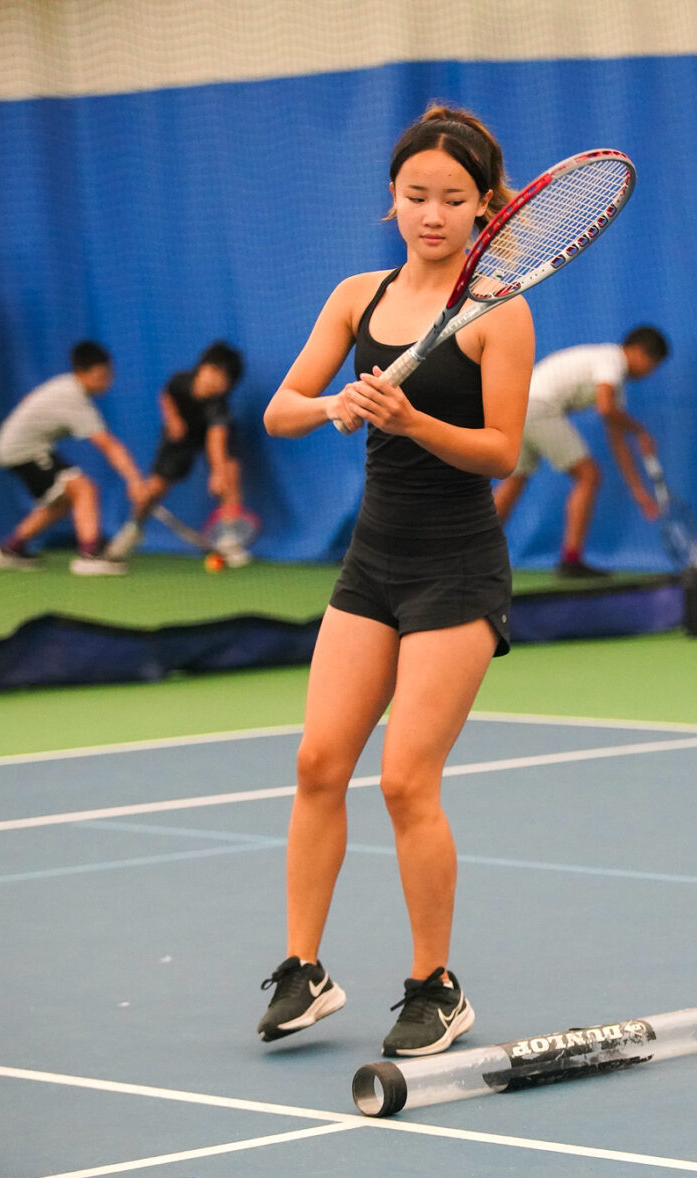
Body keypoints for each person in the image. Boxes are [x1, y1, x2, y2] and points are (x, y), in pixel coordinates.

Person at [258, 104, 532, 1056]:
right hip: (372, 563)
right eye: (416, 195)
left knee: (406, 780)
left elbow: (500, 452)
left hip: (457, 568)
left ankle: (435, 985)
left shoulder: (501, 309)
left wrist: (411, 421)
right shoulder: (355, 298)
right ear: (392, 198)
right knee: (316, 763)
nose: (431, 213)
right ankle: (304, 969)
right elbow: (277, 411)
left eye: (453, 199)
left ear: (486, 206)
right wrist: (337, 401)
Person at [491, 326, 670, 578]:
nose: (649, 373)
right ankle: (571, 560)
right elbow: (606, 409)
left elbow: (616, 440)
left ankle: (475, 554)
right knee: (589, 476)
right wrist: (640, 431)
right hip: (538, 407)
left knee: (515, 480)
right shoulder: (612, 361)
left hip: (519, 407)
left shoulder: (613, 382)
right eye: (653, 365)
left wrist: (639, 492)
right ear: (640, 353)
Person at [0, 341, 147, 576]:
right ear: (82, 373)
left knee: (61, 502)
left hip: (20, 447)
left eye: (109, 375)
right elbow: (109, 446)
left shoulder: (65, 386)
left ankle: (11, 549)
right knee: (85, 489)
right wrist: (134, 481)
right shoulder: (73, 398)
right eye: (102, 376)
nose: (108, 382)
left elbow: (27, 402)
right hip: (22, 450)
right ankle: (91, 555)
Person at [106, 341, 249, 564]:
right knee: (154, 488)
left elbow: (215, 439)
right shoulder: (180, 382)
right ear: (202, 367)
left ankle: (229, 537)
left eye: (225, 380)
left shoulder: (218, 406)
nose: (216, 381)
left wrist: (218, 472)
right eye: (214, 372)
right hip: (180, 437)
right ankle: (132, 529)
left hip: (209, 437)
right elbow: (166, 395)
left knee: (230, 472)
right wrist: (172, 419)